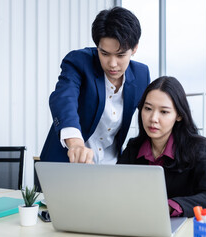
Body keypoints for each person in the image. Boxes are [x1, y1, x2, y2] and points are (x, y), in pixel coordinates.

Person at [40, 7, 150, 164]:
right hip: (66, 164)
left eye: (120, 55)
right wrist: (76, 144)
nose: (112, 64)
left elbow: (152, 114)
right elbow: (64, 98)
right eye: (104, 53)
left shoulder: (141, 74)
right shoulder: (79, 61)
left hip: (110, 166)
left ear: (135, 48)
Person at [117, 76, 206, 217]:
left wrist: (171, 207)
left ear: (179, 115)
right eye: (148, 108)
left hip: (182, 228)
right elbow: (116, 190)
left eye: (164, 112)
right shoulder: (133, 148)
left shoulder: (197, 148)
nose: (153, 118)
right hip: (138, 222)